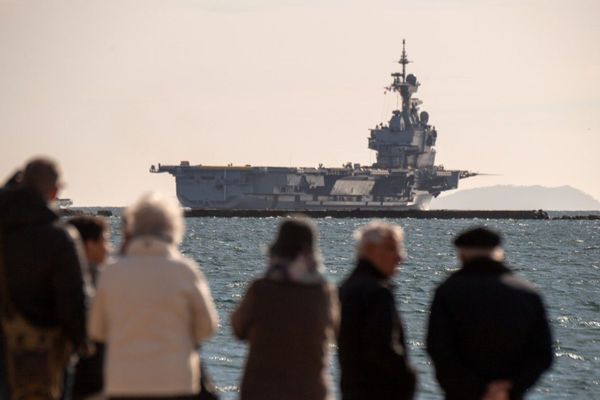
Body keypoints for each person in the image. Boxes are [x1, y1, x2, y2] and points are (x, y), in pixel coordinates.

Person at [88, 193, 218, 399]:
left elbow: (96, 330)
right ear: (173, 229)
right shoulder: (185, 271)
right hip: (175, 383)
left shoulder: (111, 272)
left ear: (131, 230)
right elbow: (207, 328)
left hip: (123, 383)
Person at [426, 227, 553, 400]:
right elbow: (542, 353)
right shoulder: (528, 293)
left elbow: (438, 348)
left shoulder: (447, 291)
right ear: (499, 253)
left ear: (462, 255)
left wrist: (473, 389)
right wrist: (511, 387)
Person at [0, 157, 88, 399]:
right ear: (55, 191)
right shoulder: (59, 238)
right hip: (41, 355)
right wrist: (82, 344)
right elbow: (73, 301)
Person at [231, 216, 339, 400]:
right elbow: (334, 330)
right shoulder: (325, 292)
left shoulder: (261, 289)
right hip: (310, 391)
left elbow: (238, 329)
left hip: (262, 390)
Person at [337, 221, 416, 400]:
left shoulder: (347, 287)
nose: (401, 257)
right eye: (392, 249)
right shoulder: (377, 292)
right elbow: (382, 347)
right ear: (371, 249)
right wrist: (408, 378)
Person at [68, 216, 110, 400]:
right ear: (89, 245)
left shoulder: (56, 277)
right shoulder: (101, 280)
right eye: (104, 241)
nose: (108, 249)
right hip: (94, 376)